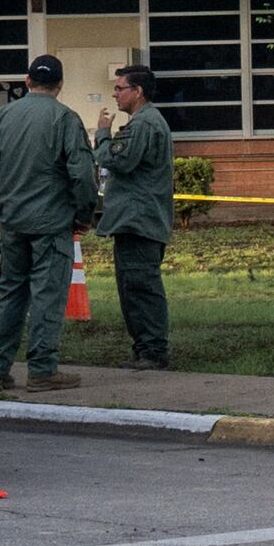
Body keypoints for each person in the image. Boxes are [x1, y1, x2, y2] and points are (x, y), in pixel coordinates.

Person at [0, 52, 102, 394]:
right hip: (51, 222)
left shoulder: (2, 116)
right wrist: (84, 213)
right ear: (60, 85)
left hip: (13, 221)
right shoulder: (65, 118)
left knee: (11, 293)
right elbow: (81, 173)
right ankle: (43, 369)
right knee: (47, 296)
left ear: (27, 81)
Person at [95, 60, 182, 373]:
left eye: (120, 88)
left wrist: (103, 136)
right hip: (136, 220)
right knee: (131, 287)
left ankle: (153, 351)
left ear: (138, 91)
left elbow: (120, 161)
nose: (115, 94)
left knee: (141, 288)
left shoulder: (144, 124)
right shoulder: (144, 122)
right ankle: (144, 349)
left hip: (139, 220)